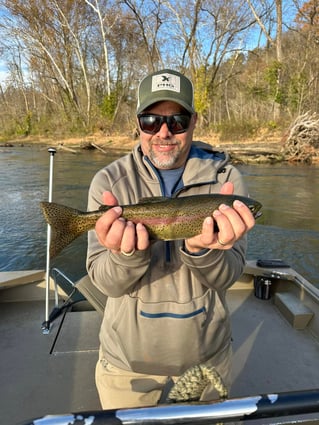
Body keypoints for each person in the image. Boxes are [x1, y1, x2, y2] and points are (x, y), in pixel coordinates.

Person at [86, 69, 256, 409]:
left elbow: (230, 276)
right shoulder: (109, 183)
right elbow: (106, 284)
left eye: (177, 120)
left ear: (194, 121)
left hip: (206, 354)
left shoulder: (226, 181)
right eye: (151, 120)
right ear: (137, 123)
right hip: (126, 361)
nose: (163, 132)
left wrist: (202, 250)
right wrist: (125, 255)